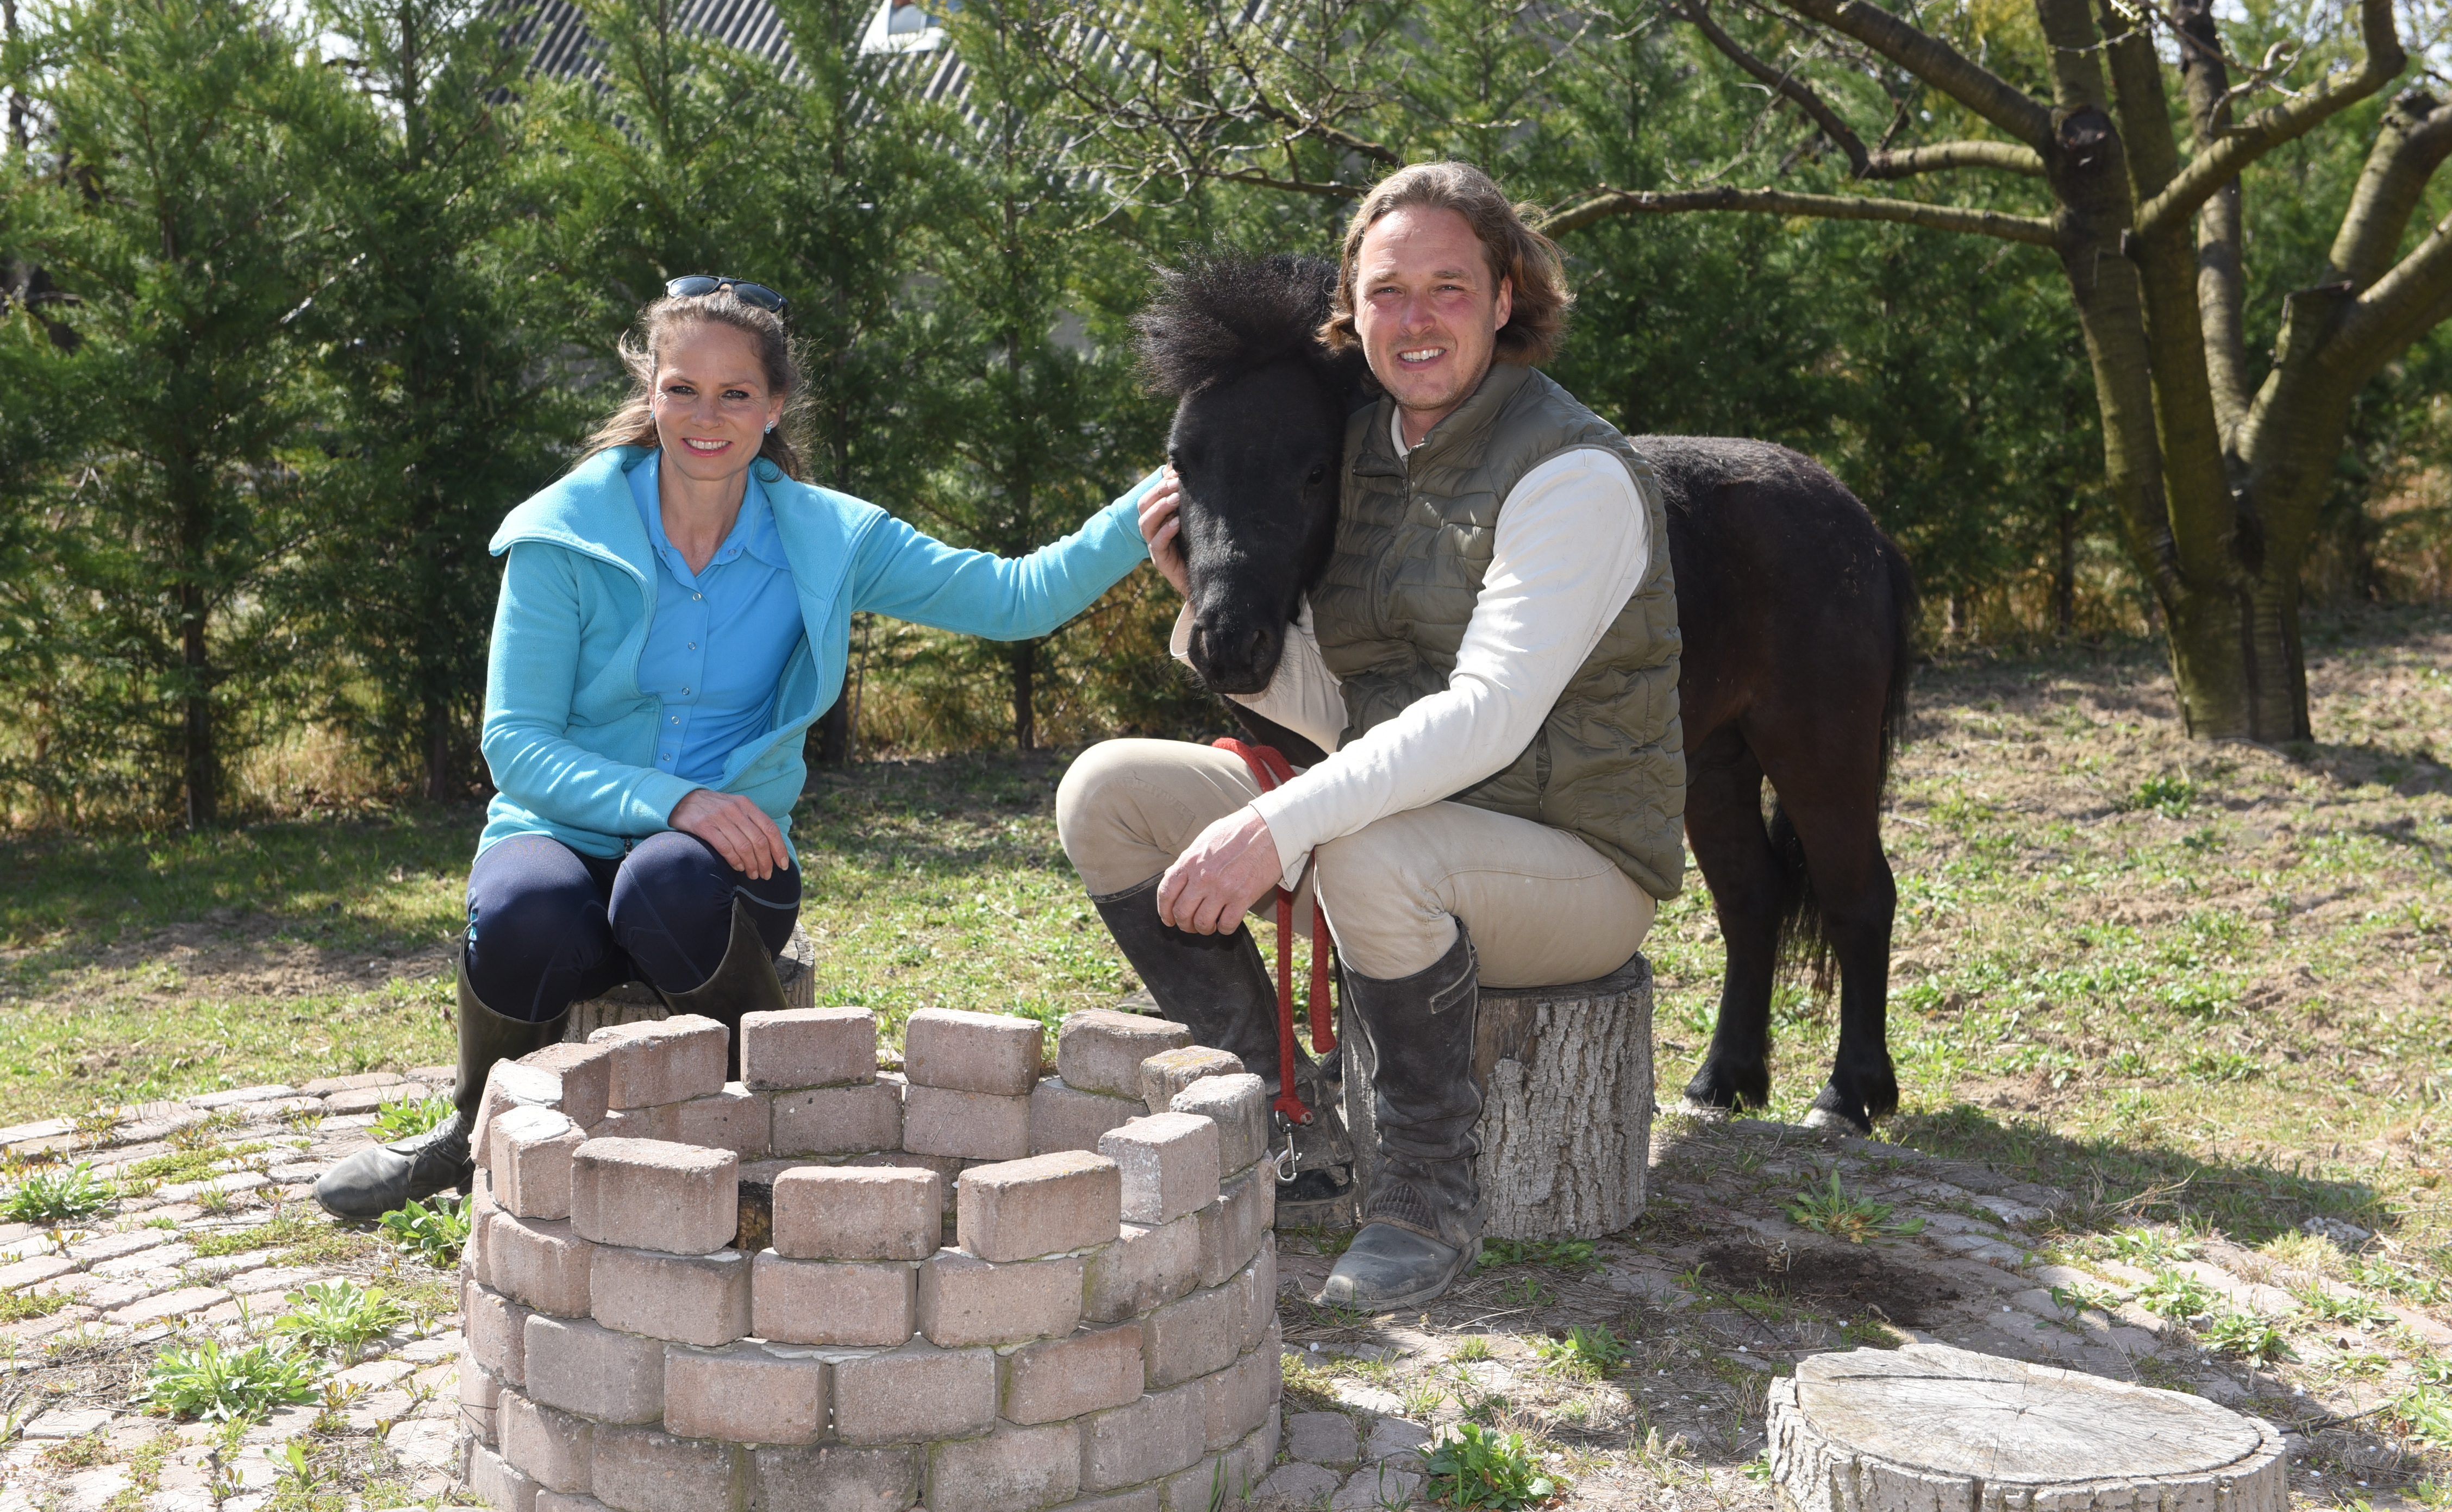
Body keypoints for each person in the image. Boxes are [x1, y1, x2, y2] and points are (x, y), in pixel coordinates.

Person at [317, 277, 1159, 1219]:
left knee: (667, 880)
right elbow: (516, 745)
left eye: (736, 394)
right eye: (682, 389)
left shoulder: (829, 537)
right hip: (558, 835)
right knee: (521, 912)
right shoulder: (564, 532)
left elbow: (1018, 598)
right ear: (651, 393)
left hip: (714, 879)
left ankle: (782, 1128)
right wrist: (674, 799)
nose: (705, 417)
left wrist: (1167, 489)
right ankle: (473, 1134)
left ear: (776, 406)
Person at [1055, 164, 1685, 1310]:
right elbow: (1356, 713)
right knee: (1107, 792)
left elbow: (1487, 716)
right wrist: (1197, 601)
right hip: (1420, 831)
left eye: (1450, 287)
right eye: (1388, 290)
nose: (1417, 317)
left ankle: (1426, 1195)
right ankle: (1286, 1123)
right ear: (1352, 308)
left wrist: (1276, 821)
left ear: (1506, 298)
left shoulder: (1572, 473)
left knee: (1362, 845)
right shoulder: (1371, 451)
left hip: (1576, 857)